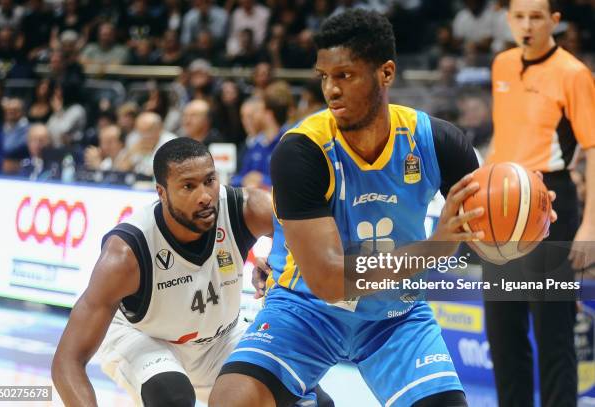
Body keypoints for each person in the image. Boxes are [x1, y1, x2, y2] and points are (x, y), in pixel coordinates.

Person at [209, 9, 486, 407]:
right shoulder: (301, 150)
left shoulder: (438, 141)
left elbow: (487, 236)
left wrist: (526, 224)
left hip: (396, 315)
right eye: (324, 77)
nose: (331, 89)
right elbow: (328, 280)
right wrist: (434, 248)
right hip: (306, 308)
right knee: (231, 401)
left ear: (386, 73)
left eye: (345, 75)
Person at [52, 137, 332, 406]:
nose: (205, 197)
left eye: (209, 181)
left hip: (222, 337)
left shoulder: (246, 208)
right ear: (161, 192)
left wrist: (277, 259)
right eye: (188, 186)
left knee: (313, 400)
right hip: (146, 338)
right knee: (172, 397)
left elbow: (310, 235)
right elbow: (68, 360)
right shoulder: (126, 255)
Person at [483, 0, 595, 406]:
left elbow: (592, 148)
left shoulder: (574, 73)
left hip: (552, 202)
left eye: (536, 16)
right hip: (501, 203)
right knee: (502, 329)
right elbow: (503, 137)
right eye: (519, 16)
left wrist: (590, 226)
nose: (526, 25)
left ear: (555, 21)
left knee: (553, 331)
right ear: (508, 19)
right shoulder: (501, 65)